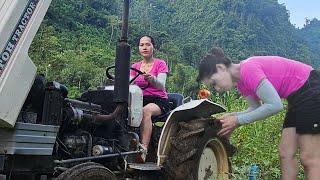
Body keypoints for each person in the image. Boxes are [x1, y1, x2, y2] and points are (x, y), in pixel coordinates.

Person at [197, 47, 320, 179]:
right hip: (296, 97)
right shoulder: (241, 83)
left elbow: (275, 105)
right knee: (286, 152)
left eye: (214, 82)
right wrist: (233, 116)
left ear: (221, 68)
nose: (217, 88)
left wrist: (237, 121)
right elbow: (255, 108)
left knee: (309, 158)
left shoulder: (248, 70)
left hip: (310, 89)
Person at [130, 35, 171, 162]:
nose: (144, 47)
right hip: (140, 98)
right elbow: (130, 83)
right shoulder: (135, 66)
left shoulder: (160, 64)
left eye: (147, 44)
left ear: (153, 46)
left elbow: (161, 85)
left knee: (145, 111)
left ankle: (143, 150)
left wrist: (153, 79)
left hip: (158, 100)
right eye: (141, 45)